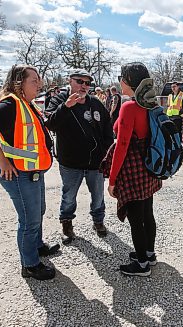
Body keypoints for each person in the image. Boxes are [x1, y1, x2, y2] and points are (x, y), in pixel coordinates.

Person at [0, 65, 58, 280]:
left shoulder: (27, 105)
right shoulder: (10, 105)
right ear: (18, 83)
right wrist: (2, 162)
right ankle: (30, 265)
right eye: (34, 80)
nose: (39, 84)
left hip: (32, 172)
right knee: (29, 220)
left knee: (38, 211)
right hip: (19, 174)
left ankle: (37, 247)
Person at [45, 69, 114, 244]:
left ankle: (98, 221)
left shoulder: (96, 103)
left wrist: (106, 152)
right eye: (80, 81)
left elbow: (108, 127)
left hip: (95, 162)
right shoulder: (59, 100)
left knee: (98, 195)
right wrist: (66, 107)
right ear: (70, 81)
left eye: (87, 83)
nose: (84, 86)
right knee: (69, 196)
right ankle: (67, 224)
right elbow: (50, 124)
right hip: (70, 162)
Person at [107, 62, 162, 277]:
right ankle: (149, 254)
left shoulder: (129, 106)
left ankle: (141, 265)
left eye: (121, 77)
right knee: (147, 212)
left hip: (132, 168)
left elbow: (121, 145)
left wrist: (112, 179)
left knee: (134, 218)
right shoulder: (151, 103)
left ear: (127, 81)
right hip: (149, 165)